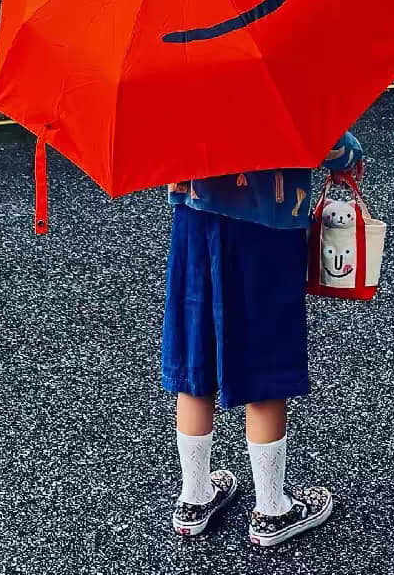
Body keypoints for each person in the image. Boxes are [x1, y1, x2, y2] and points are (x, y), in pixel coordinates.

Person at [163, 132, 363, 547]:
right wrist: (348, 155)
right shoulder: (277, 77)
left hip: (194, 222)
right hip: (266, 229)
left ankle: (194, 498)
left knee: (196, 358)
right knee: (265, 357)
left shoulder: (181, 79)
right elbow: (321, 136)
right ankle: (272, 508)